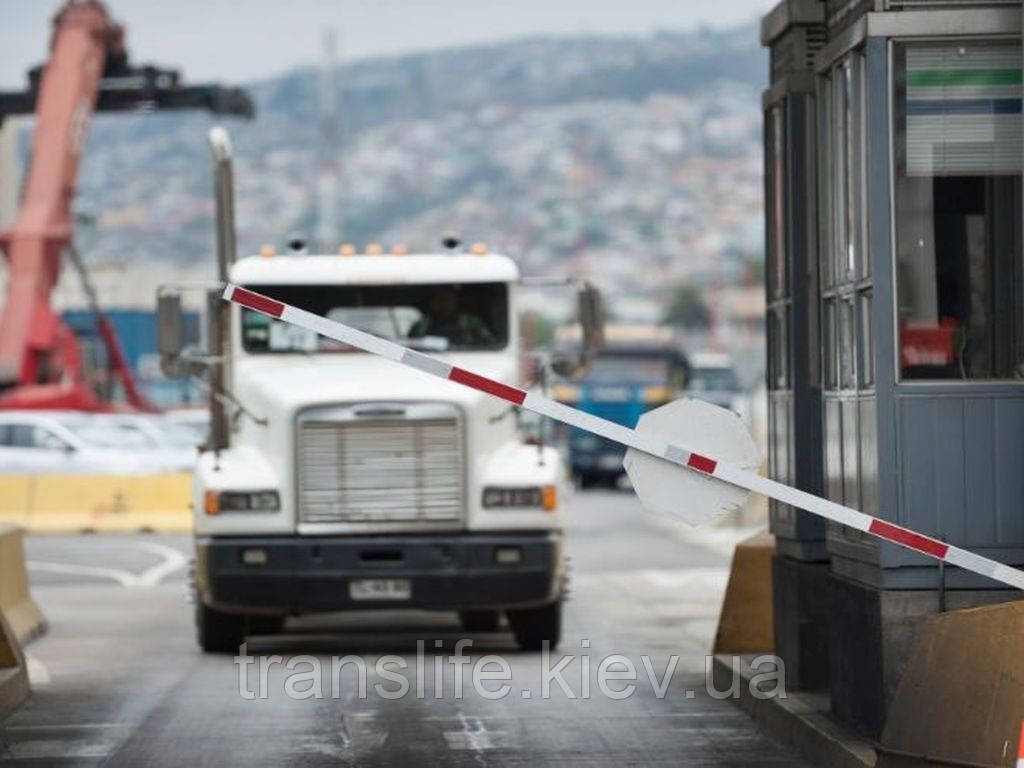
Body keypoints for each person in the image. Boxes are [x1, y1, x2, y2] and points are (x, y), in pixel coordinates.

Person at [409, 285, 494, 347]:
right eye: (440, 299)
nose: (444, 304)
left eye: (448, 300)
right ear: (433, 302)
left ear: (455, 301)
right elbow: (411, 347)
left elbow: (490, 344)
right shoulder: (421, 326)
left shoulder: (472, 323)